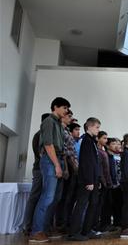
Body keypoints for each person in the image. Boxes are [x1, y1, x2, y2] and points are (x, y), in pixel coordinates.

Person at [29, 98, 70, 243]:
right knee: (47, 197)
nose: (66, 111)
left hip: (57, 159)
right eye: (64, 108)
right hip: (50, 160)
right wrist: (57, 165)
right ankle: (36, 231)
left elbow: (61, 148)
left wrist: (62, 165)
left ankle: (45, 229)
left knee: (55, 198)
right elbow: (48, 145)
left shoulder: (58, 124)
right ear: (55, 107)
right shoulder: (48, 122)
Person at [67, 117, 102, 241]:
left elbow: (94, 162)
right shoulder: (86, 140)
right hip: (87, 180)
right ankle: (74, 232)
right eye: (97, 127)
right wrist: (89, 181)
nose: (99, 130)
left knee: (93, 204)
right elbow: (86, 163)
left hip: (93, 179)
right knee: (81, 204)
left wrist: (96, 179)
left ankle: (87, 230)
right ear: (89, 127)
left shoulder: (92, 141)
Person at [23, 113, 50, 235]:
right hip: (39, 169)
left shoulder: (45, 135)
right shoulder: (40, 135)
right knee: (35, 196)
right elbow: (41, 154)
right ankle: (27, 225)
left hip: (44, 169)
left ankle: (36, 225)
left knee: (41, 197)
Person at [96, 131, 113, 232]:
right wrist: (103, 181)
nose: (106, 140)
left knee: (108, 204)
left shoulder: (104, 150)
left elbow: (107, 169)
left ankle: (106, 224)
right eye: (104, 138)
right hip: (102, 181)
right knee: (100, 205)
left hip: (107, 181)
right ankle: (99, 225)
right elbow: (100, 169)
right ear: (98, 139)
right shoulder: (97, 151)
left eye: (106, 138)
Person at [106, 138, 123, 228]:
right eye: (113, 144)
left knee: (119, 203)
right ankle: (108, 223)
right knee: (110, 204)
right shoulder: (108, 156)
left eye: (118, 144)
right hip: (112, 183)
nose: (117, 146)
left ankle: (118, 222)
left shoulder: (120, 155)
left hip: (121, 183)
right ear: (108, 145)